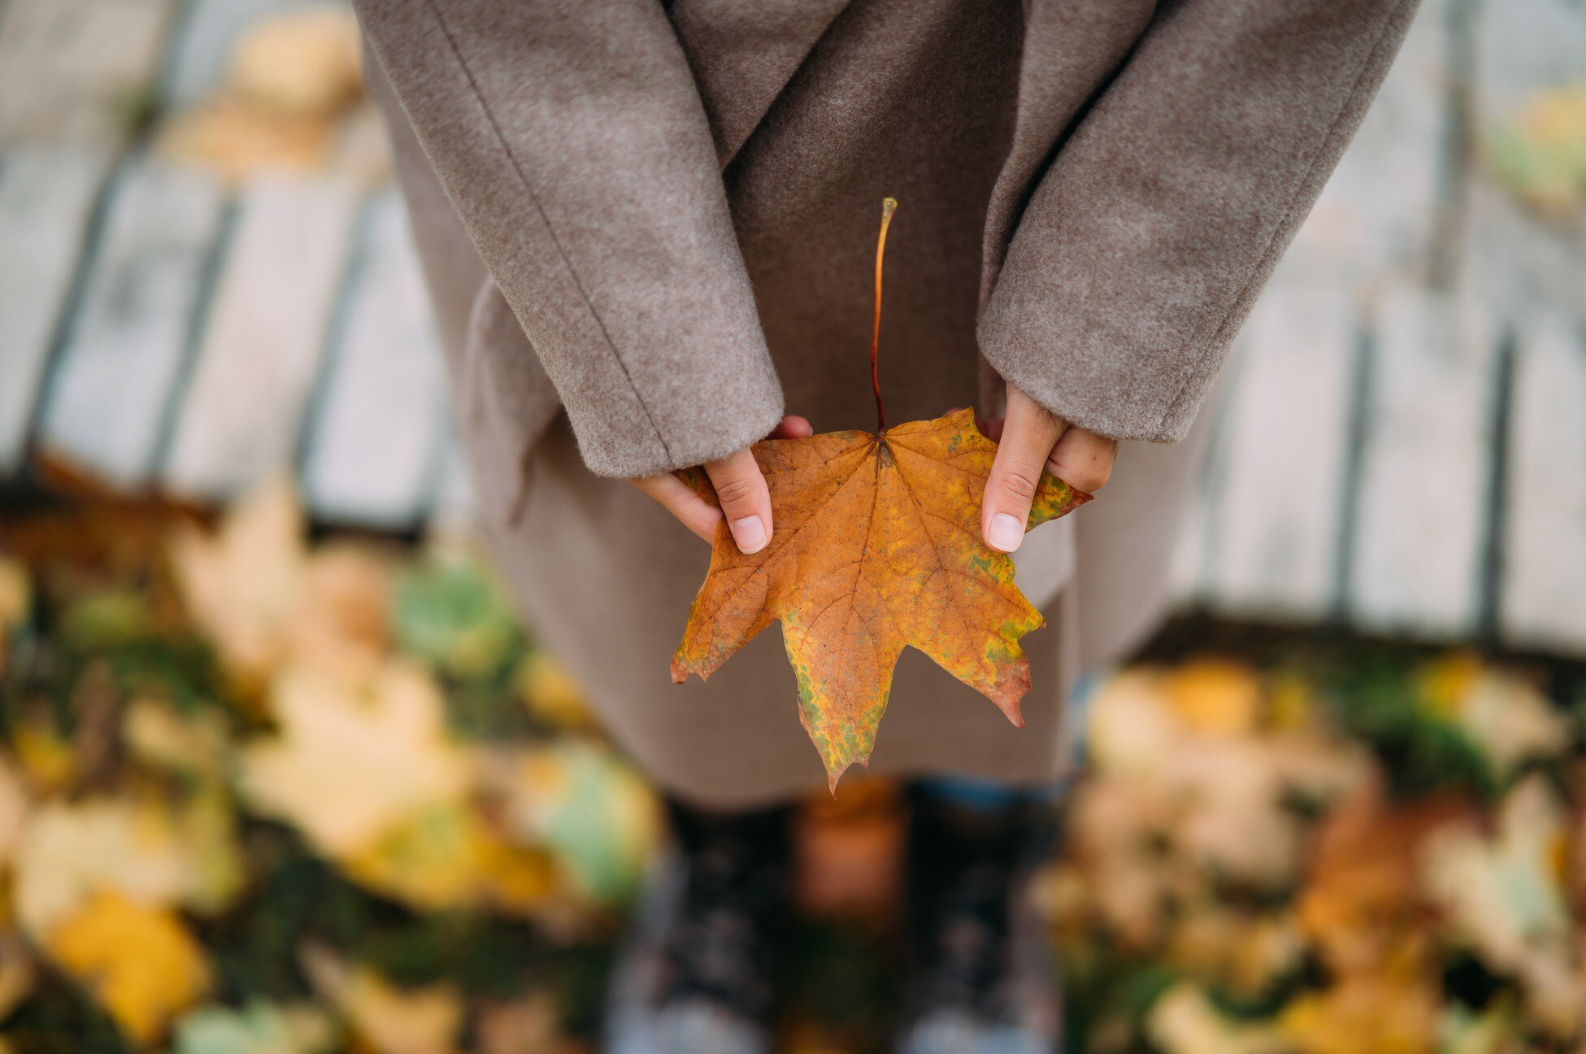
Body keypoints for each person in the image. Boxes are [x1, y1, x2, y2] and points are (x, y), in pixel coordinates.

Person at [353, 1, 1418, 1050]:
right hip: (639, 161)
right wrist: (641, 342)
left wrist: (1118, 310)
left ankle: (978, 854)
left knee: (1026, 593)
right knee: (688, 596)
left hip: (1081, 145)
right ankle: (724, 844)